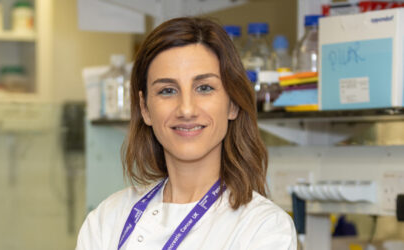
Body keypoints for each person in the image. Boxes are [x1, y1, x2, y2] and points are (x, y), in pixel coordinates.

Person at [76, 17, 297, 250]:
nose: (186, 110)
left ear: (232, 103)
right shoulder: (107, 220)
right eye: (167, 90)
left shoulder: (263, 228)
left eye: (204, 88)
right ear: (145, 109)